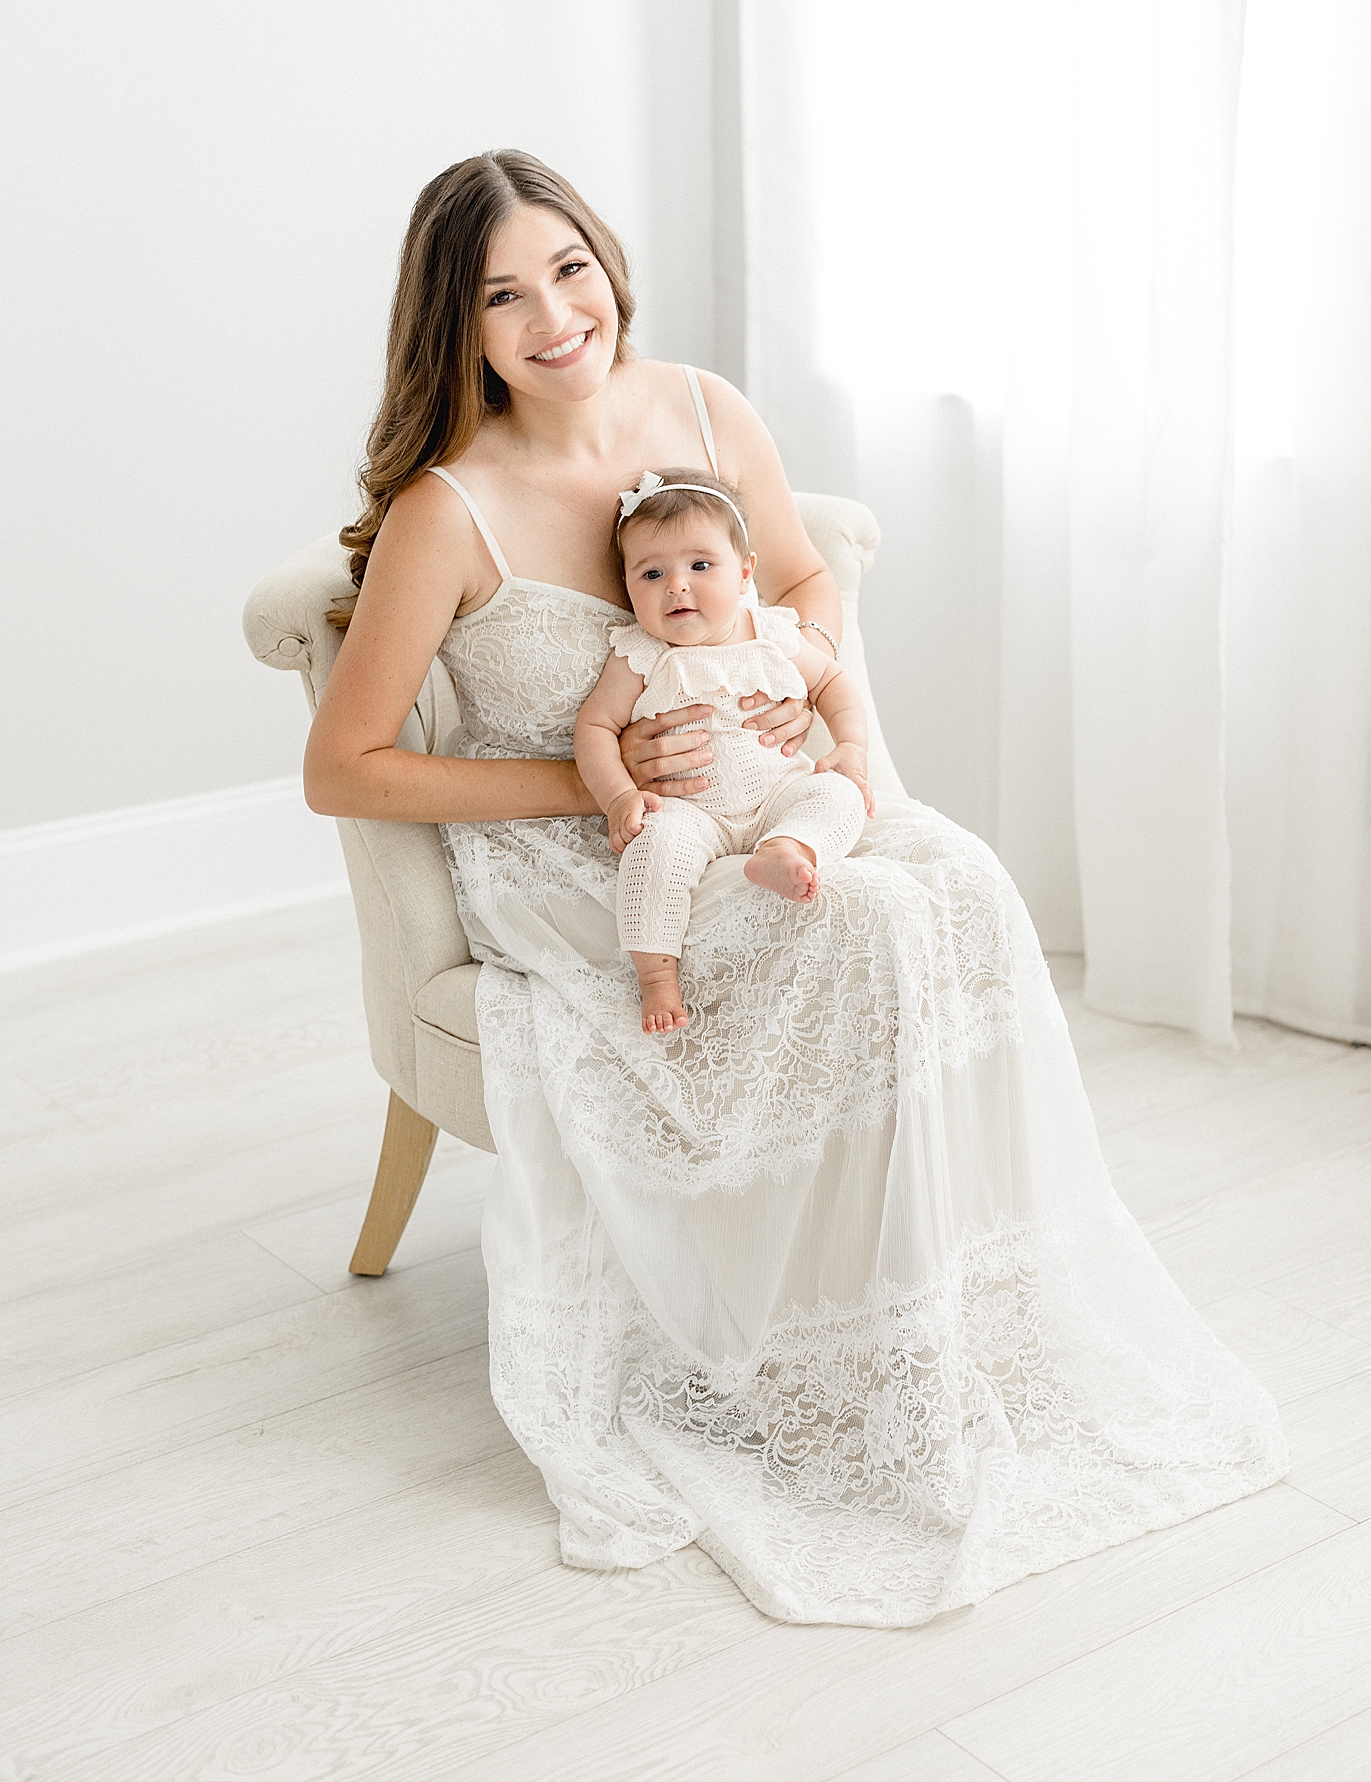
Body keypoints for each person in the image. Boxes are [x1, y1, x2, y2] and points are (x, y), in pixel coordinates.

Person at [305, 149, 1288, 1629]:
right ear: (459, 327)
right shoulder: (454, 510)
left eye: (569, 268)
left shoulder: (704, 409)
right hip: (597, 851)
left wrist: (851, 748)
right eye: (504, 295)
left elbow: (809, 584)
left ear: (608, 260)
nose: (555, 314)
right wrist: (595, 781)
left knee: (957, 886)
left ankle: (946, 1318)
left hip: (778, 792)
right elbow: (348, 767)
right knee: (866, 925)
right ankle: (821, 1360)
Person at [574, 466, 872, 1033]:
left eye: (700, 566)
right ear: (628, 586)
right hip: (689, 810)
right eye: (651, 573)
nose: (676, 586)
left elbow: (832, 683)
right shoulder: (639, 651)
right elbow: (594, 729)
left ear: (745, 573)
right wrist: (617, 798)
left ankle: (787, 849)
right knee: (652, 852)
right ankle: (658, 977)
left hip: (779, 791)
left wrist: (851, 747)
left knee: (839, 794)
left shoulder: (775, 632)